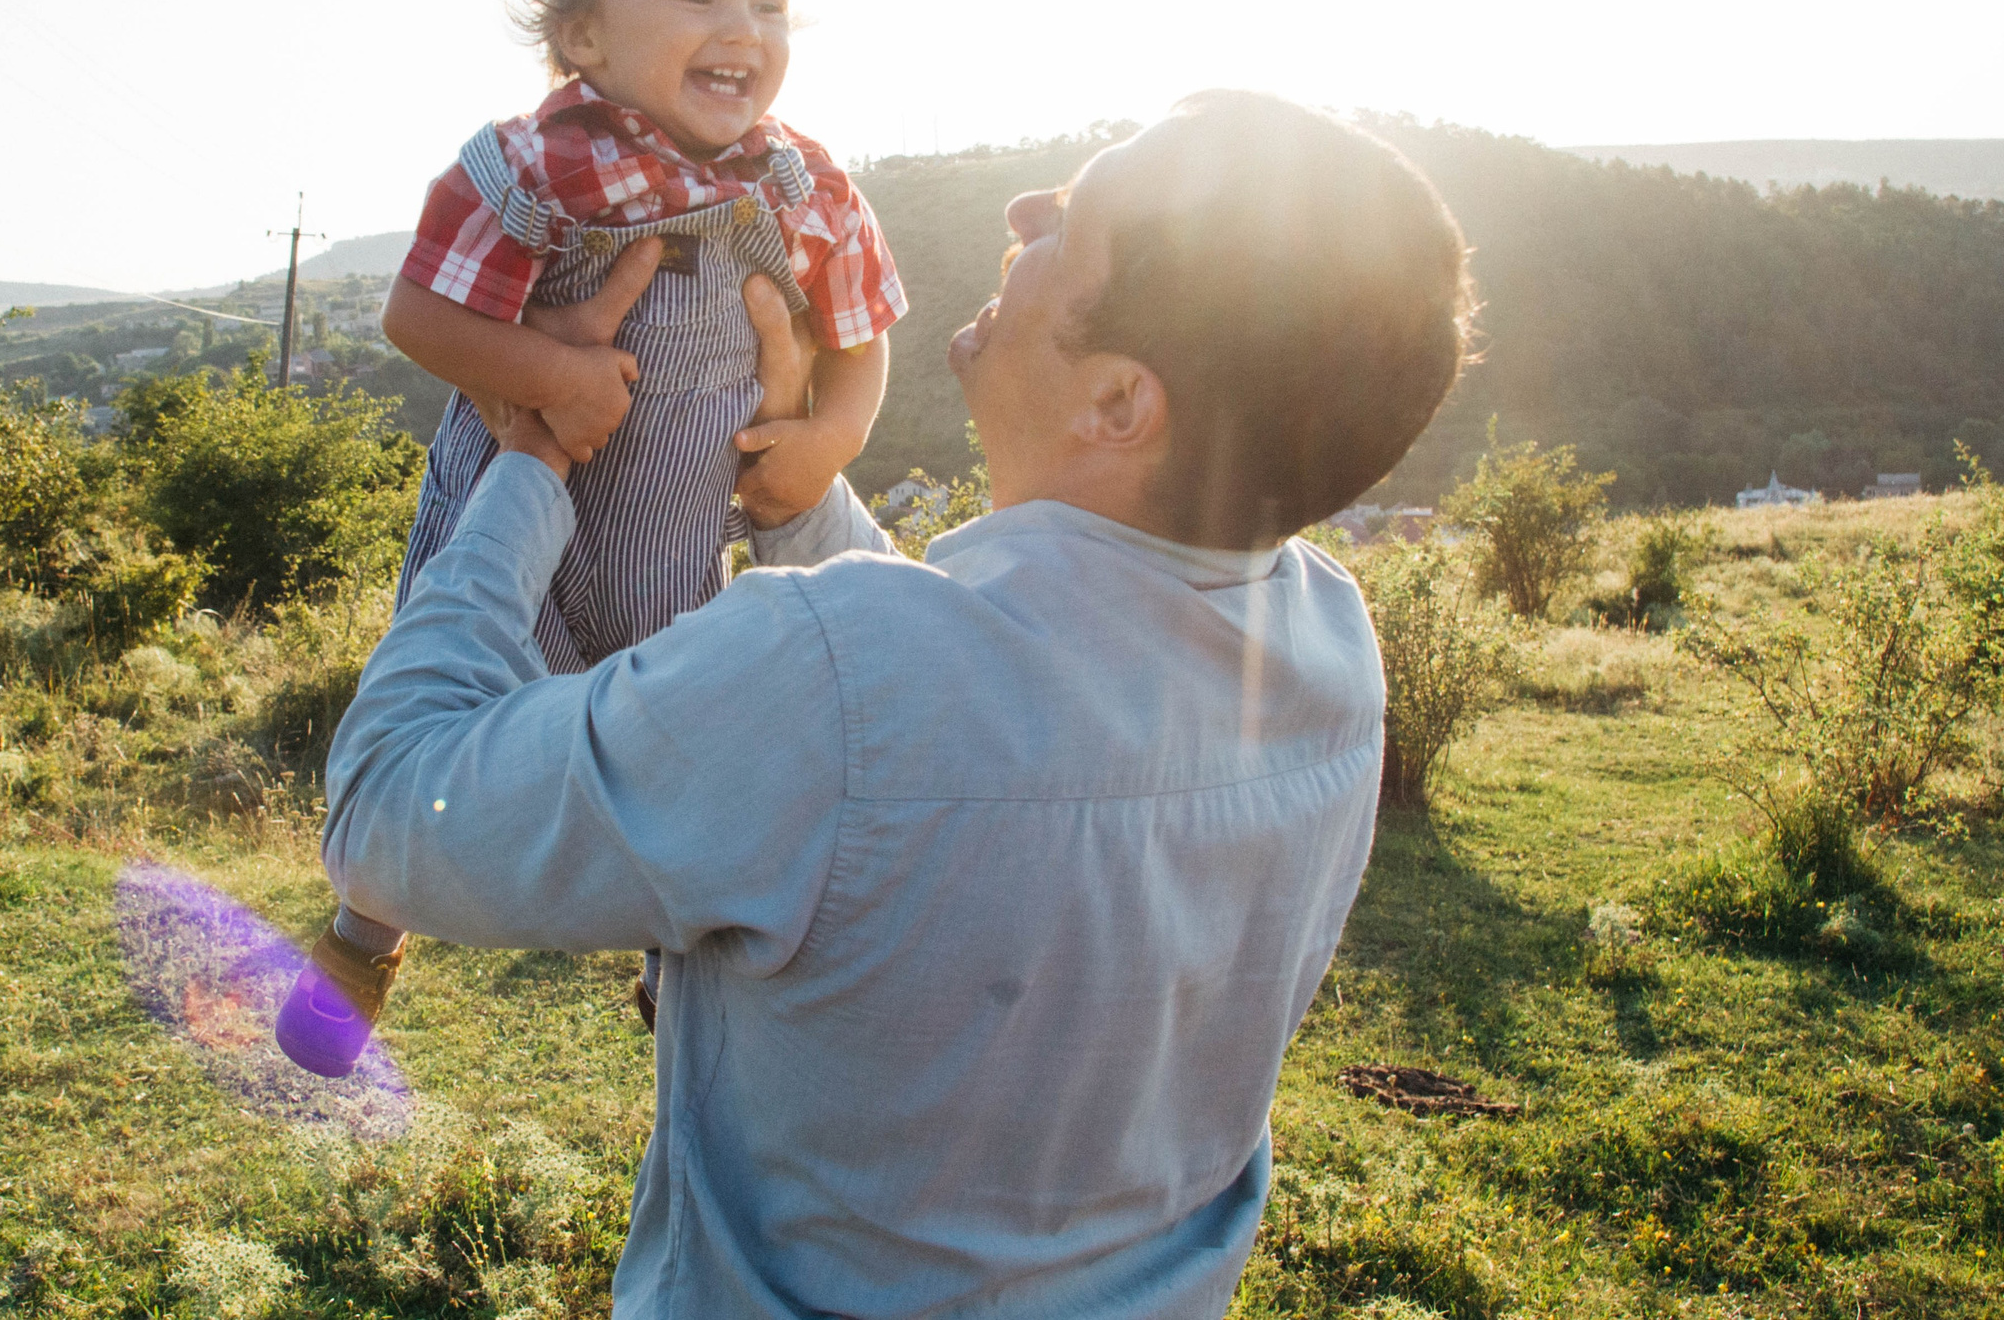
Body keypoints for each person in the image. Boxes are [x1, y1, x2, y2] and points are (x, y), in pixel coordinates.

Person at [319, 89, 1475, 1315]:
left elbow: (388, 811)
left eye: (1069, 221)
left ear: (1118, 405)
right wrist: (793, 492)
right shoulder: (1324, 641)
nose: (1022, 210)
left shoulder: (821, 679)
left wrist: (527, 465)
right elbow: (958, 695)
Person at [275, 0, 907, 1078]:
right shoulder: (533, 166)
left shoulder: (802, 181)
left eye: (768, 3)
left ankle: (680, 968)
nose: (742, 29)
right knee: (446, 701)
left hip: (676, 540)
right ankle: (362, 936)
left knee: (685, 749)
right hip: (518, 508)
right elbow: (418, 314)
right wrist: (548, 376)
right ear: (581, 34)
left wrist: (827, 439)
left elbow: (860, 336)